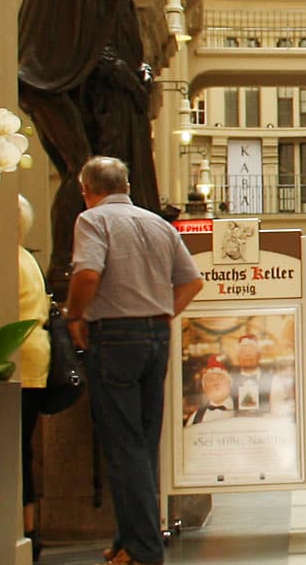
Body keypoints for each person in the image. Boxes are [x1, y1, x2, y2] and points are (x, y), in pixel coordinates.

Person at [18, 0, 244, 296]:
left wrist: (136, 71)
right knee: (81, 167)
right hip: (47, 79)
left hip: (52, 80)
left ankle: (70, 263)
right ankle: (64, 266)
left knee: (81, 167)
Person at [64, 156, 203, 565]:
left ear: (87, 190)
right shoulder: (158, 224)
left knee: (123, 444)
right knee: (142, 442)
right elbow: (192, 281)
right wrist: (162, 312)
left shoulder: (92, 221)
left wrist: (74, 316)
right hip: (156, 336)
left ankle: (143, 547)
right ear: (126, 185)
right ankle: (129, 538)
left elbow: (87, 274)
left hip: (114, 337)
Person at [17, 194, 51, 562]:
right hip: (35, 359)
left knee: (16, 448)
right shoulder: (27, 257)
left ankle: (25, 531)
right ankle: (28, 528)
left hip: (20, 361)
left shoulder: (10, 260)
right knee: (23, 447)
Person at [186, 356, 235, 425]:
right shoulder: (196, 417)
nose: (216, 383)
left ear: (229, 383)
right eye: (210, 380)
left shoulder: (242, 409)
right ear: (205, 388)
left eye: (221, 378)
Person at [231, 334, 272, 415]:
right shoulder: (230, 381)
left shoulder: (271, 379)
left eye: (252, 351)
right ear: (237, 357)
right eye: (243, 351)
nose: (247, 355)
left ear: (259, 355)